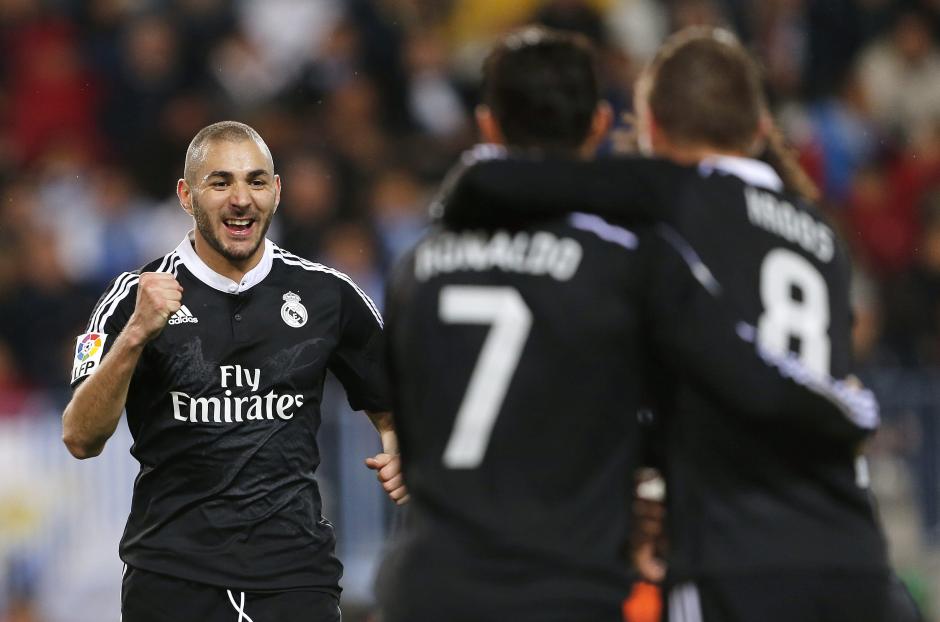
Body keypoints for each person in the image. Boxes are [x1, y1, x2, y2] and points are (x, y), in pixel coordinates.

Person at [375, 27, 878, 622]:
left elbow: (423, 426)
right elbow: (737, 373)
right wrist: (845, 409)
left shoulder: (417, 268)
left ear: (487, 126)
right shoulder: (808, 238)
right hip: (822, 541)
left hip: (440, 582)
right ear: (599, 126)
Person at [61, 121, 407, 622]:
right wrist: (136, 334)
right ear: (186, 195)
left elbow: (393, 399)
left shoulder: (328, 294)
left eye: (256, 181)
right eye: (220, 182)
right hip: (172, 579)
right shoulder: (133, 297)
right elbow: (79, 437)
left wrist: (399, 444)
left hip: (296, 578)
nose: (241, 199)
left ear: (277, 191)